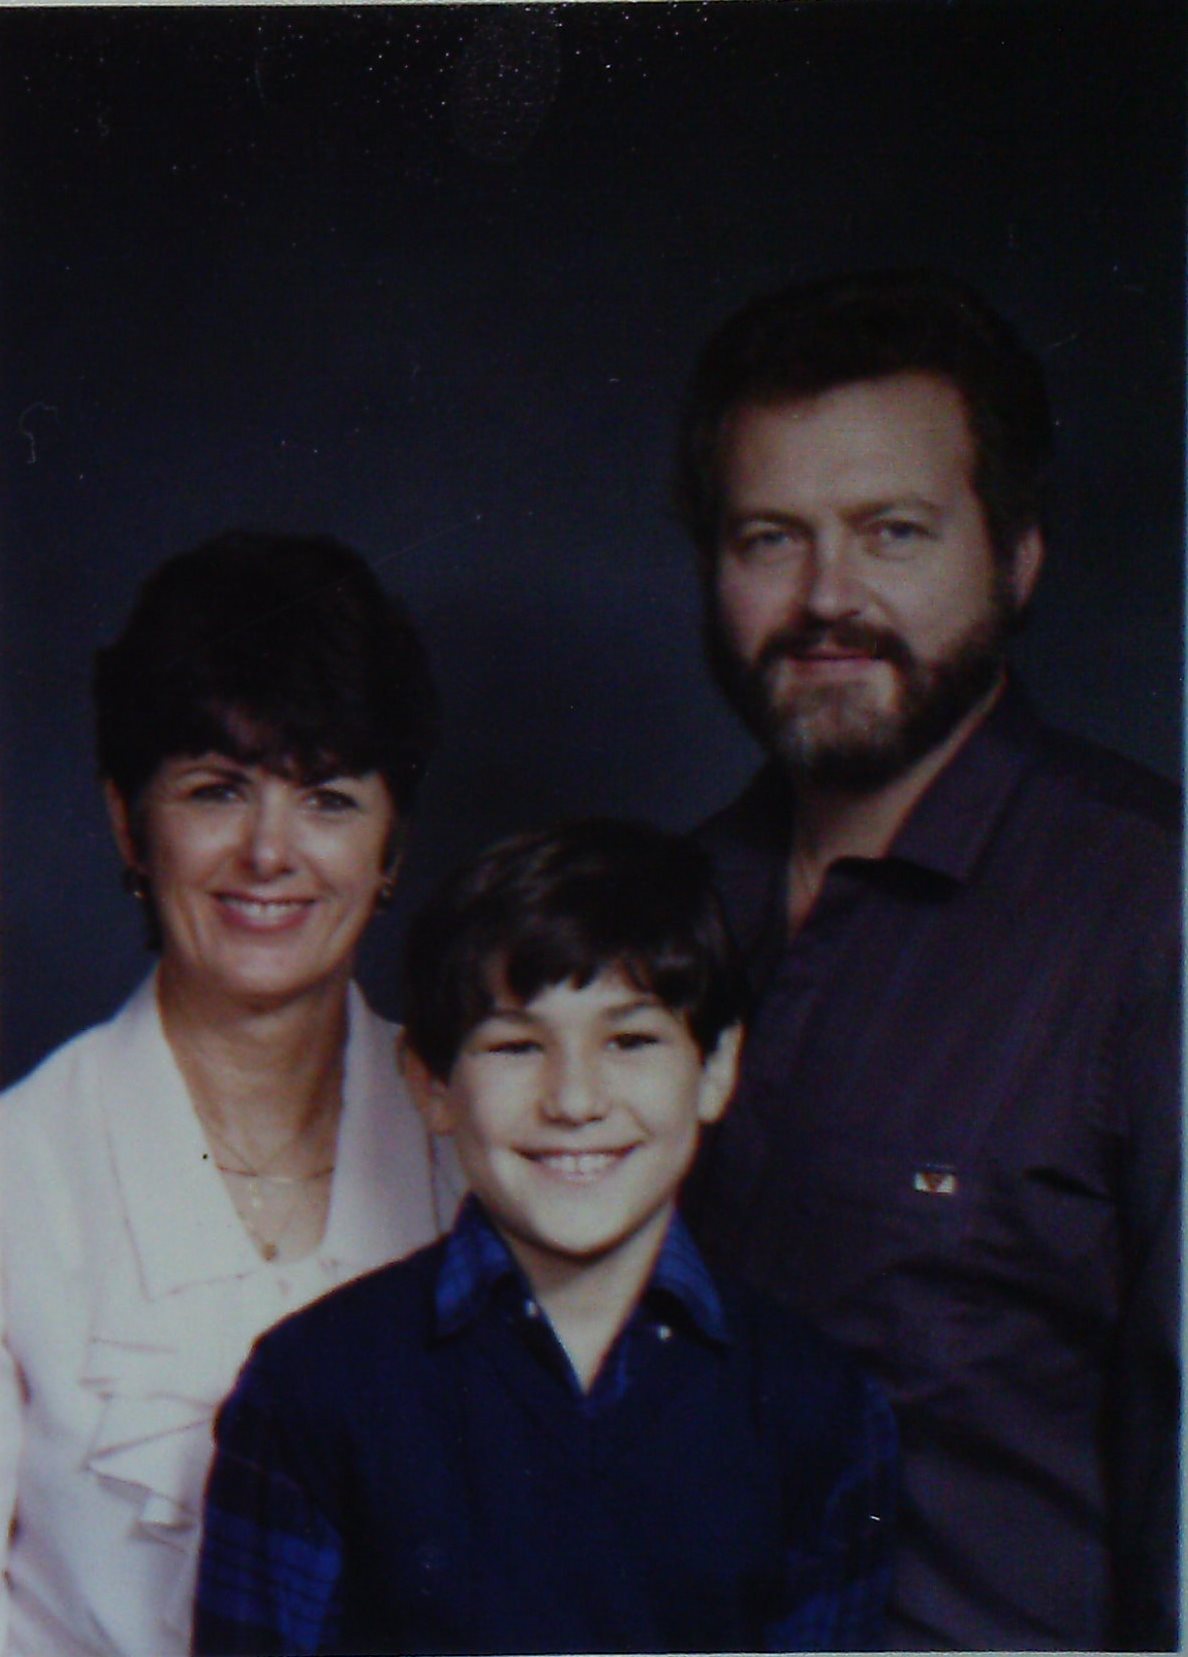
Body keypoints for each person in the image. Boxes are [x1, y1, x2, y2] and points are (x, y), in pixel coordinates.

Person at [674, 268, 1180, 1650]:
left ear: (1019, 556)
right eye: (770, 538)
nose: (826, 597)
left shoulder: (1155, 916)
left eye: (893, 532)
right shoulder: (660, 910)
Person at [193, 818, 898, 1656]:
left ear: (715, 1069)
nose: (575, 1100)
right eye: (518, 1045)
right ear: (431, 1083)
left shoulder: (820, 1410)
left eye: (630, 1040)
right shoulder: (312, 1388)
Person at [0, 531, 464, 1657]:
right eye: (217, 790)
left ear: (392, 842)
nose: (269, 852)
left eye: (328, 799)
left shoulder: (485, 1134)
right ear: (129, 823)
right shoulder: (20, 1173)